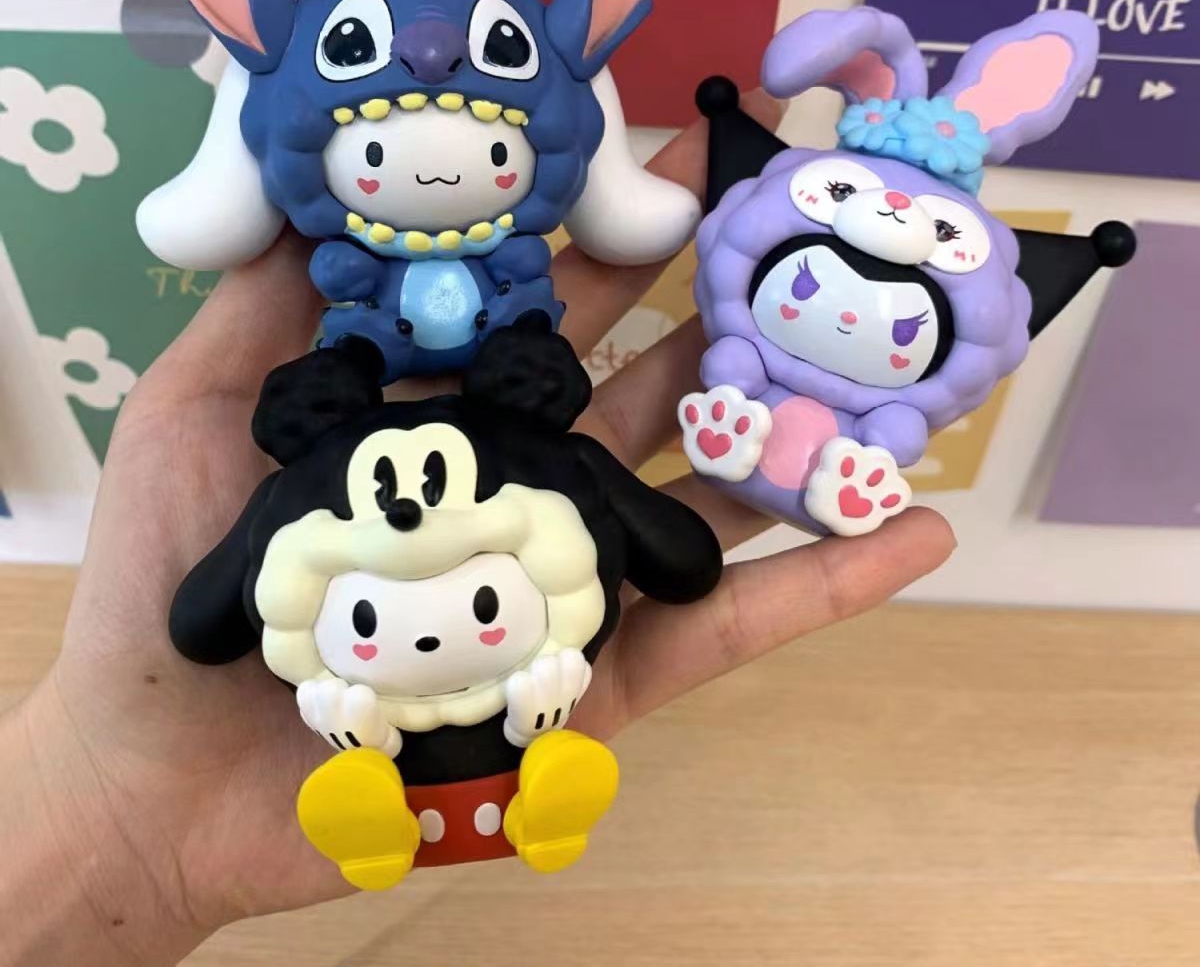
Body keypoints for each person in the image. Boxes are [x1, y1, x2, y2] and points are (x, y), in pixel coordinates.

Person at [0, 93, 954, 966]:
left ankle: (537, 788)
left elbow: (679, 556)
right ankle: (402, 805)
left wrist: (110, 833)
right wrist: (117, 822)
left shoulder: (516, 487)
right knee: (406, 764)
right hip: (378, 729)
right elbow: (204, 622)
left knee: (535, 742)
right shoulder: (339, 516)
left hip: (521, 701)